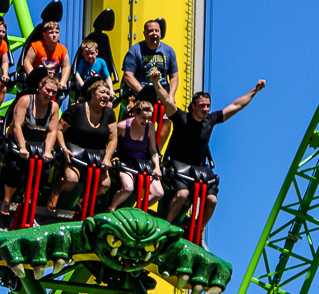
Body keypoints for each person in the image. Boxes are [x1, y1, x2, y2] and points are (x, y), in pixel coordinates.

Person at [150, 69, 266, 232]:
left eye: (208, 106)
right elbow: (166, 101)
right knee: (182, 195)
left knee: (212, 200)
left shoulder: (210, 121)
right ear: (193, 106)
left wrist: (255, 90)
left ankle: (197, 231)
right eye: (202, 106)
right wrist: (156, 82)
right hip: (177, 166)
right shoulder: (182, 118)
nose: (206, 109)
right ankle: (166, 228)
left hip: (198, 169)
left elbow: (236, 105)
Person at [47, 80, 117, 212]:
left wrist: (107, 158)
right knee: (71, 180)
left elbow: (113, 139)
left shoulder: (109, 114)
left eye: (108, 93)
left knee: (105, 184)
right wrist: (63, 148)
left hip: (97, 156)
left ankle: (85, 198)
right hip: (75, 154)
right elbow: (59, 130)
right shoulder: (77, 109)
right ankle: (56, 192)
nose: (105, 96)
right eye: (102, 92)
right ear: (92, 93)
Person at [0, 76, 60, 215]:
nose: (50, 94)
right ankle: (7, 200)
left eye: (53, 93)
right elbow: (17, 126)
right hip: (21, 139)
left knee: (45, 171)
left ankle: (29, 197)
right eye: (48, 90)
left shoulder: (54, 107)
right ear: (40, 88)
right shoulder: (26, 100)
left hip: (38, 143)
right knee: (15, 167)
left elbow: (52, 131)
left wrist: (48, 151)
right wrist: (22, 147)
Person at [122, 20, 179, 146]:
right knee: (139, 116)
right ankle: (136, 147)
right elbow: (128, 75)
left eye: (156, 31)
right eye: (150, 31)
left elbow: (174, 77)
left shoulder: (168, 51)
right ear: (145, 33)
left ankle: (156, 151)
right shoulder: (135, 50)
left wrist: (171, 96)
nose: (154, 34)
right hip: (142, 91)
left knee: (168, 119)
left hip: (162, 92)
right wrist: (143, 92)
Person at [107, 100, 163, 212]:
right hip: (126, 161)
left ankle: (137, 210)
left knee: (159, 193)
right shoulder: (122, 127)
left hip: (143, 163)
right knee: (128, 188)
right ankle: (111, 208)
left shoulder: (150, 127)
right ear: (135, 114)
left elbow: (153, 150)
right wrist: (112, 157)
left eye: (149, 118)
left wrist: (157, 166)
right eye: (144, 117)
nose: (146, 121)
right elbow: (111, 143)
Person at [23, 21, 71, 93]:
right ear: (44, 35)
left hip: (53, 79)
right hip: (38, 79)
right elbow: (27, 62)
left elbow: (66, 66)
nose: (54, 35)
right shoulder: (36, 46)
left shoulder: (62, 49)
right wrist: (33, 77)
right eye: (51, 33)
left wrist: (63, 81)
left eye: (57, 33)